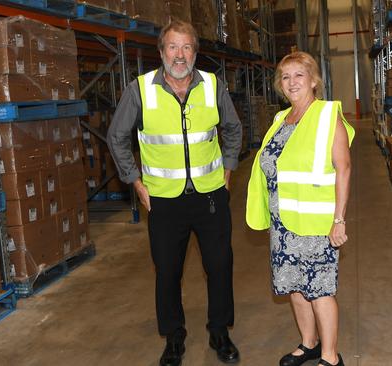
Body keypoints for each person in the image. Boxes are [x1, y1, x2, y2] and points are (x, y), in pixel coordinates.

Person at [107, 20, 242, 366]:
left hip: (211, 195)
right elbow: (116, 137)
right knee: (167, 271)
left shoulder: (213, 85)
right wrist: (135, 182)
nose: (179, 55)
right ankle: (174, 336)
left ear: (195, 52)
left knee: (220, 264)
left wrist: (227, 170)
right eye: (172, 47)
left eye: (186, 48)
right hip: (163, 199)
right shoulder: (141, 90)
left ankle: (219, 331)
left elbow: (232, 127)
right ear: (161, 51)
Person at [245, 51, 354, 366]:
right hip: (284, 223)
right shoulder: (282, 119)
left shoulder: (326, 115)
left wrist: (339, 220)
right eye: (285, 77)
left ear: (314, 80)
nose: (291, 82)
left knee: (319, 290)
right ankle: (309, 344)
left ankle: (331, 356)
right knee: (294, 286)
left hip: (317, 223)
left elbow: (343, 169)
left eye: (298, 75)